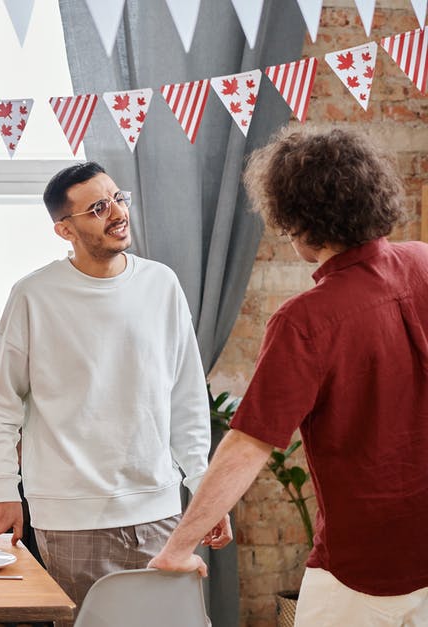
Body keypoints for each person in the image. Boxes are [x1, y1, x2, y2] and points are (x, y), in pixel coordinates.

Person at [150, 129, 428, 625]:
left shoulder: (305, 320)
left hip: (363, 569)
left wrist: (178, 547)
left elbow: (247, 445)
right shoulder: (423, 262)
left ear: (299, 220)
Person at [0, 162, 228, 619]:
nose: (117, 212)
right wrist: (4, 488)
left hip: (159, 508)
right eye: (99, 207)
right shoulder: (34, 295)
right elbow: (0, 402)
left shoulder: (161, 284)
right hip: (70, 518)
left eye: (117, 198)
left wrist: (203, 488)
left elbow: (186, 398)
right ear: (65, 229)